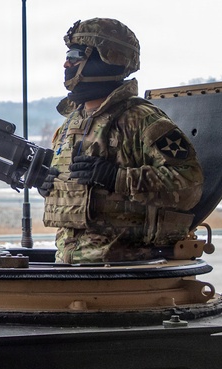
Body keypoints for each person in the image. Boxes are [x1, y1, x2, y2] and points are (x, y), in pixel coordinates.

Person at [39, 18, 203, 263]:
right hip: (71, 266)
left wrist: (117, 178)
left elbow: (189, 185)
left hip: (127, 269)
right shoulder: (71, 123)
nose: (66, 63)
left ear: (106, 58)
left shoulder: (142, 120)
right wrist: (51, 187)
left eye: (75, 55)